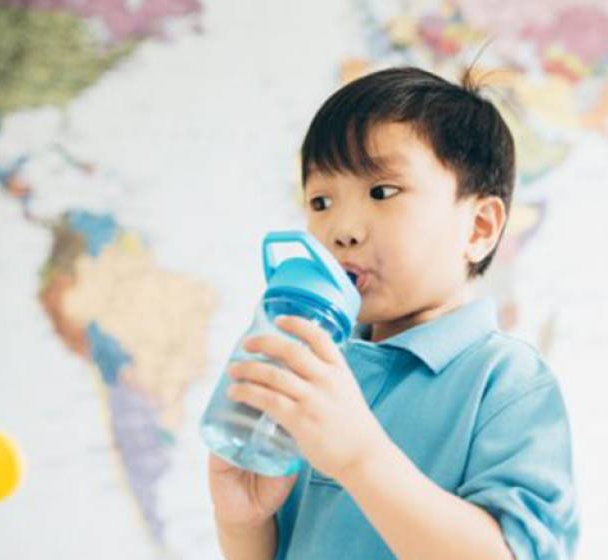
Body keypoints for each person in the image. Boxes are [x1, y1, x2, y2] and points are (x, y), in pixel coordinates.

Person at [208, 66, 579, 559]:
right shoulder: (319, 369)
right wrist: (243, 524)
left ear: (479, 228)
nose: (342, 229)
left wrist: (361, 457)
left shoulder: (506, 383)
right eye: (320, 200)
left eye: (382, 192)